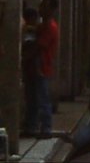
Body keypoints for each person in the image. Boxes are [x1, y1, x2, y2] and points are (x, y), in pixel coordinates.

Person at [33, 0, 59, 139]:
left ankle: (46, 128)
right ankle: (35, 126)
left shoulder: (50, 27)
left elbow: (40, 46)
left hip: (43, 66)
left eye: (45, 7)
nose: (41, 9)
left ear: (52, 10)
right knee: (38, 97)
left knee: (43, 99)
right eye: (41, 6)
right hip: (40, 66)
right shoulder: (43, 25)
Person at [21, 8, 40, 137]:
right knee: (31, 98)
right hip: (30, 69)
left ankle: (32, 125)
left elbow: (33, 49)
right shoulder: (29, 30)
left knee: (34, 98)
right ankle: (30, 124)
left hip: (33, 69)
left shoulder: (33, 32)